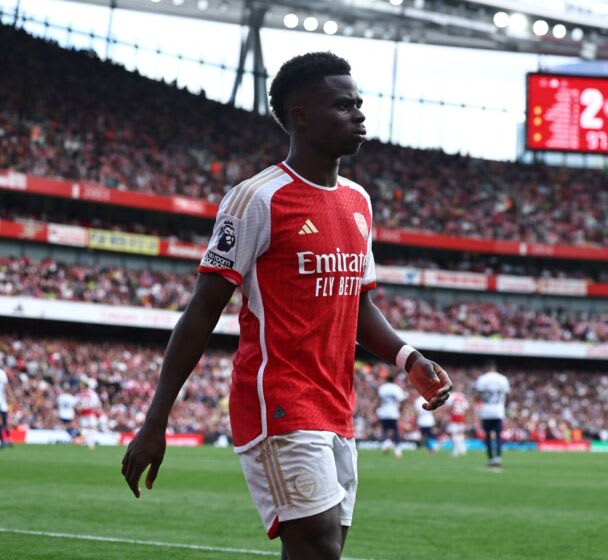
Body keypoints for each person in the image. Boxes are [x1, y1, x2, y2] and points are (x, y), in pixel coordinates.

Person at [121, 52, 452, 560]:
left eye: (358, 103)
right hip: (278, 401)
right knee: (320, 549)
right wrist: (155, 420)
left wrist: (409, 358)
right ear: (300, 116)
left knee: (316, 551)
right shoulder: (256, 199)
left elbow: (358, 303)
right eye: (343, 105)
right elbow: (201, 312)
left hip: (337, 406)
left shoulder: (359, 201)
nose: (359, 114)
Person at [474, 362, 510, 469]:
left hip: (486, 410)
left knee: (488, 436)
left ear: (487, 368)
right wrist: (504, 407)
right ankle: (498, 458)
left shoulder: (482, 379)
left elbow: (478, 394)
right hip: (498, 410)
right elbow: (507, 395)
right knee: (498, 435)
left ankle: (490, 459)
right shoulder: (503, 379)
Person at [377, 373, 406, 458]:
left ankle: (387, 442)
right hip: (393, 412)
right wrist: (401, 410)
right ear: (394, 380)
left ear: (386, 380)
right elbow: (401, 400)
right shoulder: (396, 388)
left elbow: (379, 400)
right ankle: (397, 449)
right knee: (395, 431)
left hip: (384, 412)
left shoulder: (382, 388)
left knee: (385, 429)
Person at [77, 377, 102, 450]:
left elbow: (76, 404)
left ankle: (86, 442)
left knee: (85, 429)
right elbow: (96, 404)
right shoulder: (92, 393)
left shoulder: (80, 394)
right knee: (91, 428)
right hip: (90, 413)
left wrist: (79, 408)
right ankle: (89, 443)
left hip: (84, 413)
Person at [446, 391, 469, 457]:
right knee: (460, 434)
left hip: (455, 419)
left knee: (455, 434)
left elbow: (449, 408)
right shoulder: (463, 397)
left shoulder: (452, 396)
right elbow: (466, 409)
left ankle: (457, 450)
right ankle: (462, 449)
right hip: (461, 419)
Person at [0, 363, 13, 449]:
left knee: (5, 422)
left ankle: (8, 439)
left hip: (2, 402)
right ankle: (2, 441)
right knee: (1, 422)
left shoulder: (2, 373)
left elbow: (7, 387)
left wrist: (11, 397)